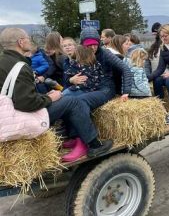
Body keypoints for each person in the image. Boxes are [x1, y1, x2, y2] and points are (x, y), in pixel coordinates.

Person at [0, 28, 113, 162]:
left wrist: (44, 95)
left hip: (9, 112)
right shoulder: (20, 66)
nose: (30, 41)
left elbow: (16, 94)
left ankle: (75, 138)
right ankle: (94, 145)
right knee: (73, 102)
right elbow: (27, 103)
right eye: (28, 39)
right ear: (21, 42)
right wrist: (49, 98)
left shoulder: (4, 61)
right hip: (22, 115)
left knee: (66, 98)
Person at [69, 27, 132, 111]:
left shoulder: (105, 53)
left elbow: (125, 69)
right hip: (86, 87)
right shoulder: (79, 55)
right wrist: (71, 80)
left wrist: (126, 92)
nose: (93, 47)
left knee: (80, 101)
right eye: (89, 45)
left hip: (105, 88)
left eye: (95, 44)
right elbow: (68, 75)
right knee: (63, 97)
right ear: (83, 45)